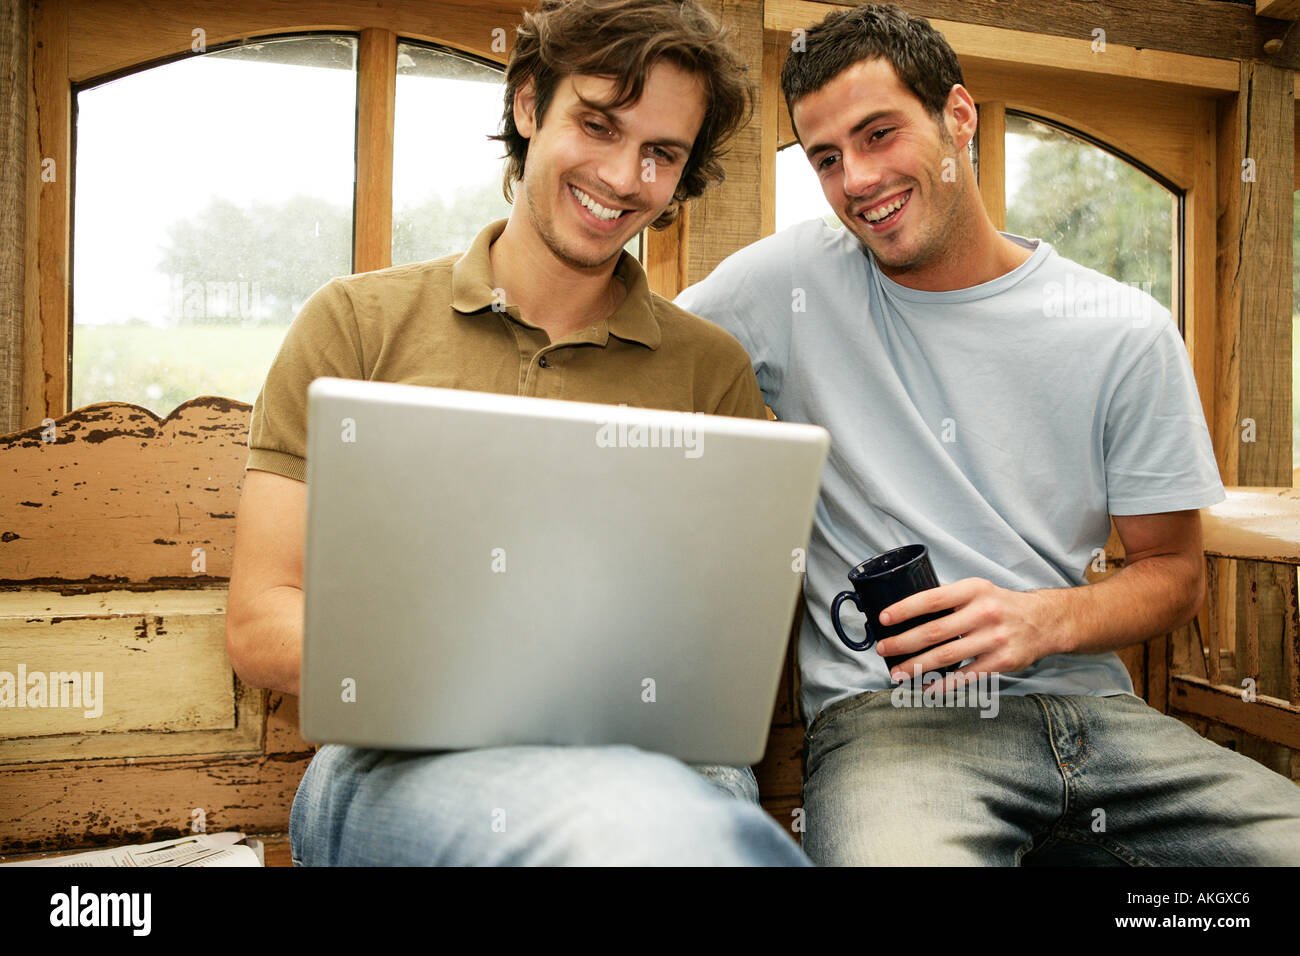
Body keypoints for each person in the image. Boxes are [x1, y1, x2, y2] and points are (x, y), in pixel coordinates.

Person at [676, 2, 1300, 865]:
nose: (856, 178)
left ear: (957, 118)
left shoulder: (1122, 329)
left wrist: (1041, 621)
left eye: (879, 133)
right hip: (894, 726)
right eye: (826, 157)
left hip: (1104, 725)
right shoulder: (786, 283)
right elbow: (642, 352)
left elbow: (1175, 576)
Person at [225, 0, 810, 866]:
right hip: (401, 761)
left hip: (660, 763)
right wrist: (471, 669)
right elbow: (258, 623)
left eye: (661, 154)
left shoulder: (710, 369)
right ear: (531, 105)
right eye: (598, 125)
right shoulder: (355, 324)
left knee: (677, 829)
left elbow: (733, 655)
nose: (621, 175)